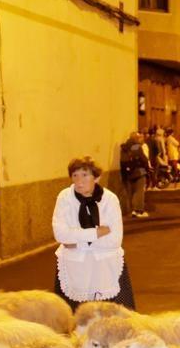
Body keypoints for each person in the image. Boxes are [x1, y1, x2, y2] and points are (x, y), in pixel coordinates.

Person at [52, 155, 132, 309]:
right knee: (71, 319)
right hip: (73, 266)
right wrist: (96, 233)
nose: (79, 180)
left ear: (96, 178)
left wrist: (76, 241)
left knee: (114, 319)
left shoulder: (110, 199)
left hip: (105, 265)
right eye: (75, 175)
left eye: (84, 175)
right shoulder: (64, 198)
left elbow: (114, 240)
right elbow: (60, 235)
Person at [119, 131, 150, 219]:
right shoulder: (137, 146)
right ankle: (139, 210)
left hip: (128, 172)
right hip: (139, 171)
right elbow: (144, 159)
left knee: (131, 192)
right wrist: (147, 169)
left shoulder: (124, 147)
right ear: (136, 138)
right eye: (139, 137)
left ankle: (133, 209)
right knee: (139, 191)